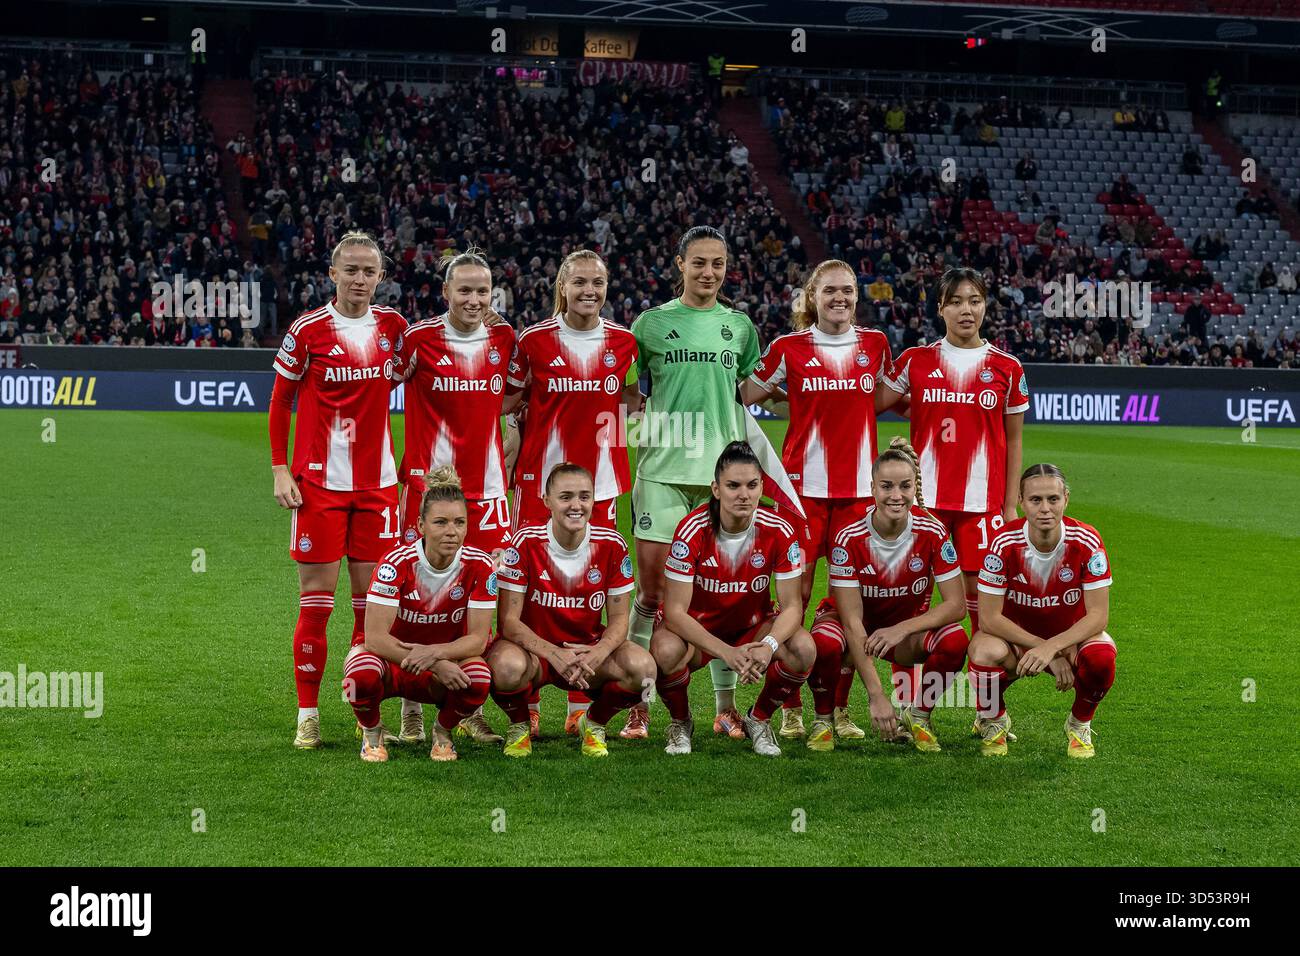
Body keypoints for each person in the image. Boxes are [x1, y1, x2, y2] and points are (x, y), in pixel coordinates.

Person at [628, 226, 779, 741]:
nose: (709, 272)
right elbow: (627, 390)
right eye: (699, 262)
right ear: (680, 264)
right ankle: (639, 702)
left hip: (722, 479)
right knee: (651, 595)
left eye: (718, 263)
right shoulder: (650, 324)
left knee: (723, 597)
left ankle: (724, 708)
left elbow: (752, 388)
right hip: (662, 473)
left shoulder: (738, 327)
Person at [738, 259, 895, 741]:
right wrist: (789, 400)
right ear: (812, 296)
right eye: (830, 291)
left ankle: (837, 709)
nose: (839, 298)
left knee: (850, 605)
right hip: (800, 495)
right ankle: (788, 707)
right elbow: (744, 394)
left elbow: (879, 400)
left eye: (847, 290)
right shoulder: (789, 347)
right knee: (795, 598)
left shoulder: (875, 345)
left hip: (858, 496)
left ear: (857, 296)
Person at [269, 231, 408, 750]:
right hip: (319, 487)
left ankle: (362, 709)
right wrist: (280, 468)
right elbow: (280, 400)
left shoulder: (394, 328)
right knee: (316, 606)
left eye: (369, 271)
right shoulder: (308, 330)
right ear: (333, 274)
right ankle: (307, 713)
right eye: (350, 270)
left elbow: (424, 378)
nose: (359, 279)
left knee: (371, 610)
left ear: (380, 277)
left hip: (378, 487)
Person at [506, 249, 642, 738]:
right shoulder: (534, 341)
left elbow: (631, 398)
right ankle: (529, 698)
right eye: (580, 282)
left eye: (598, 282)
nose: (589, 290)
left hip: (600, 486)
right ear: (562, 286)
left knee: (592, 589)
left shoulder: (624, 342)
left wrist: (621, 432)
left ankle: (580, 702)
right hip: (540, 486)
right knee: (529, 589)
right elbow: (511, 399)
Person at [393, 247, 520, 745]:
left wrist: (507, 430)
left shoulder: (504, 339)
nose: (473, 299)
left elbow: (515, 395)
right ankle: (410, 707)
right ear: (445, 291)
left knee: (483, 596)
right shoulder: (419, 339)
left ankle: (468, 707)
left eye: (482, 291)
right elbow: (377, 388)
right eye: (464, 289)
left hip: (488, 494)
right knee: (420, 598)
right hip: (431, 494)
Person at [881, 267, 1028, 641]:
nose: (967, 310)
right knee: (915, 591)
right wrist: (914, 413)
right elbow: (872, 402)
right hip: (923, 499)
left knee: (981, 598)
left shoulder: (1007, 367)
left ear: (985, 306)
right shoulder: (916, 360)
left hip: (981, 501)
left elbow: (1014, 441)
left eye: (975, 301)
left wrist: (1010, 506)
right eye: (957, 302)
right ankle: (910, 679)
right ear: (940, 308)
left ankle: (982, 677)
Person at [651, 442, 814, 756]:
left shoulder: (779, 529)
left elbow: (793, 607)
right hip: (698, 631)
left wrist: (768, 645)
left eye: (752, 485)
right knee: (665, 650)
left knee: (803, 648)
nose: (744, 495)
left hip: (752, 629)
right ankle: (681, 722)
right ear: (716, 489)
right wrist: (726, 652)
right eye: (733, 486)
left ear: (762, 487)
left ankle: (758, 719)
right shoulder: (693, 529)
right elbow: (674, 613)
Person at [488, 464, 653, 758]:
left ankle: (594, 722)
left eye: (584, 497)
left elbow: (619, 621)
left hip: (586, 654)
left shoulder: (612, 544)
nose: (576, 505)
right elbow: (508, 623)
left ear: (593, 500)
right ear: (547, 501)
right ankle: (519, 725)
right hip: (535, 654)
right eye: (566, 497)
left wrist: (599, 651)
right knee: (505, 667)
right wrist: (553, 653)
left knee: (644, 671)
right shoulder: (525, 542)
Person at [817, 439, 968, 751]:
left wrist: (901, 629)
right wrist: (877, 695)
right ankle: (825, 718)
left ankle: (918, 715)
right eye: (886, 486)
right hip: (853, 630)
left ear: (915, 487)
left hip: (900, 635)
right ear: (873, 488)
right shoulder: (849, 536)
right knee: (824, 642)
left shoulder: (934, 531)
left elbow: (957, 606)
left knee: (954, 640)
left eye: (905, 486)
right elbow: (852, 621)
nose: (896, 495)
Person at [342, 467, 497, 762]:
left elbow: (478, 641)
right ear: (421, 525)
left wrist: (436, 656)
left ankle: (443, 732)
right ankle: (372, 732)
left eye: (459, 522)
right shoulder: (396, 563)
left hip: (445, 664)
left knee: (478, 677)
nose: (451, 531)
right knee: (358, 675)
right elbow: (374, 638)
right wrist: (435, 663)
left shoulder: (480, 565)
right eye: (440, 522)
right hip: (395, 662)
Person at [967, 465, 1116, 758]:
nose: (1045, 508)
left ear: (1066, 499)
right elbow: (988, 619)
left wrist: (1054, 648)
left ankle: (1079, 724)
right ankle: (994, 720)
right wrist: (1042, 647)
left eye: (1053, 499)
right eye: (1036, 500)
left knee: (1102, 656)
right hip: (1018, 641)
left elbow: (1098, 616)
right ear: (1021, 501)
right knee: (982, 651)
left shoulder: (1086, 540)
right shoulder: (1003, 542)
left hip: (1069, 641)